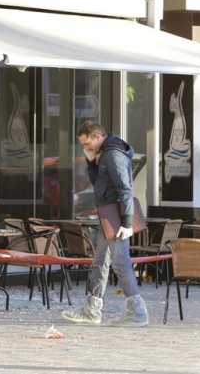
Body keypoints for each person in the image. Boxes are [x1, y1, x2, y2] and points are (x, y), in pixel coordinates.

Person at [61, 121, 149, 327]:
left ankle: (137, 312)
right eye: (83, 145)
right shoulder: (104, 154)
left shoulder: (113, 154)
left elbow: (125, 188)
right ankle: (92, 310)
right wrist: (91, 163)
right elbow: (99, 183)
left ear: (98, 136)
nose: (86, 149)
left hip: (116, 217)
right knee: (100, 261)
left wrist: (127, 223)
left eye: (87, 144)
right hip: (108, 215)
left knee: (120, 262)